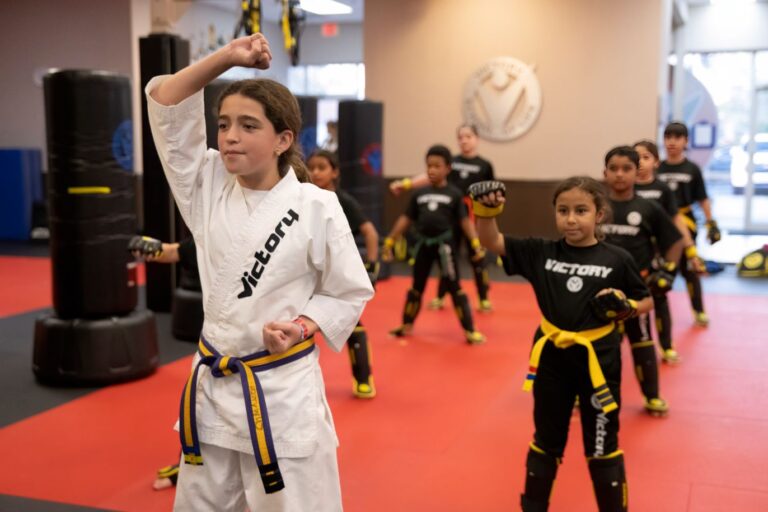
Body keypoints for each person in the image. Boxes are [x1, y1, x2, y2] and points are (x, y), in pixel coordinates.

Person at [145, 33, 373, 511]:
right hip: (214, 387)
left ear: (283, 139)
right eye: (224, 123)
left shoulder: (317, 205)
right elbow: (166, 104)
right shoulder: (205, 184)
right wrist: (229, 58)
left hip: (279, 392)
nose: (229, 136)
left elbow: (347, 291)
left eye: (248, 126)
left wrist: (301, 327)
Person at [472, 176, 651, 511]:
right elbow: (490, 239)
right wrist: (487, 210)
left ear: (599, 214)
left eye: (581, 210)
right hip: (552, 360)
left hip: (599, 361)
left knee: (601, 445)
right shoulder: (541, 251)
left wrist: (627, 308)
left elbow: (646, 300)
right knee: (546, 440)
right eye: (563, 210)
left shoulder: (617, 258)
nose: (571, 218)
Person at [602, 145, 683, 416]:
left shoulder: (648, 208)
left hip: (636, 291)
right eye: (614, 169)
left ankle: (652, 396)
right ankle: (591, 396)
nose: (620, 174)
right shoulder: (597, 208)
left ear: (637, 173)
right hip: (599, 291)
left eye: (626, 169)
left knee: (642, 344)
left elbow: (675, 241)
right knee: (598, 346)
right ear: (605, 173)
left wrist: (668, 271)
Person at [383, 144, 486, 345]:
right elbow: (406, 218)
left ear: (448, 168)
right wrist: (390, 239)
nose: (432, 170)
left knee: (455, 288)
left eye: (437, 166)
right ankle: (406, 324)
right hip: (423, 246)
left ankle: (470, 330)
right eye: (429, 166)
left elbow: (465, 222)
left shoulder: (455, 195)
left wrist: (475, 243)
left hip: (445, 247)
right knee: (416, 288)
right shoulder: (419, 194)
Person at [389, 124, 495, 313]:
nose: (464, 140)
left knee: (477, 257)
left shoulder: (484, 165)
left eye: (468, 136)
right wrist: (405, 184)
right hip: (450, 215)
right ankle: (440, 296)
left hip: (471, 215)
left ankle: (483, 297)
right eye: (460, 137)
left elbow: (490, 193)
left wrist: (487, 222)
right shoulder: (450, 161)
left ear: (476, 139)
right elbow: (428, 176)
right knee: (448, 257)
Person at [307, 149, 379, 398]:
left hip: (335, 273)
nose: (315, 172)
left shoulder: (343, 201)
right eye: (312, 167)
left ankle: (363, 377)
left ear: (334, 172)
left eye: (322, 167)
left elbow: (370, 233)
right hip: (306, 272)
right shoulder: (302, 199)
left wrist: (371, 266)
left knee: (353, 324)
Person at [633, 140, 706, 364]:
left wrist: (690, 250)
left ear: (656, 161)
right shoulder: (627, 189)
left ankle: (666, 345)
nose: (640, 163)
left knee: (659, 297)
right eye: (636, 158)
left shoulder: (663, 189)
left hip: (659, 254)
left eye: (646, 157)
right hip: (632, 255)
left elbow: (676, 220)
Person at [656, 122, 720, 327]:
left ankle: (699, 310)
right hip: (660, 223)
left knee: (690, 269)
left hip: (685, 223)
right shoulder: (658, 168)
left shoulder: (692, 169)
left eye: (677, 137)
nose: (672, 142)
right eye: (668, 137)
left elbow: (702, 198)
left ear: (686, 141)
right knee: (658, 269)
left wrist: (711, 223)